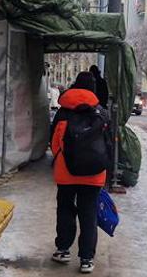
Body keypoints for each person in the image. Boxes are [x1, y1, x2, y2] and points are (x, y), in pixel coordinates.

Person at [49, 72, 107, 273]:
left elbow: (54, 141)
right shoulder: (101, 112)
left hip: (66, 172)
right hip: (94, 174)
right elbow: (108, 143)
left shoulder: (63, 112)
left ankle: (63, 249)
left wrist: (61, 159)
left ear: (75, 86)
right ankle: (86, 259)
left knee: (65, 208)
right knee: (89, 213)